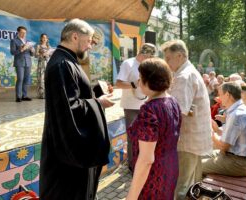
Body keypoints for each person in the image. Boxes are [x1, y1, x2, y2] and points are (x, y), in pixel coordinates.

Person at [39, 19, 114, 200]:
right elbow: (69, 110)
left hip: (68, 151)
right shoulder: (62, 64)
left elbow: (73, 97)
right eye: (88, 41)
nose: (90, 46)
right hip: (67, 155)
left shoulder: (67, 61)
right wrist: (99, 103)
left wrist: (95, 92)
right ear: (74, 36)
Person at [161, 40, 212, 200]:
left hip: (187, 139)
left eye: (168, 58)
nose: (166, 62)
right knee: (194, 182)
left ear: (180, 55)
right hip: (195, 138)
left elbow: (176, 112)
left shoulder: (184, 76)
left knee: (181, 185)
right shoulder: (189, 71)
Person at [126, 58, 182, 200]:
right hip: (170, 167)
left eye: (140, 79)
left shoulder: (149, 109)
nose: (138, 82)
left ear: (149, 81)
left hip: (153, 175)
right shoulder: (172, 101)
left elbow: (146, 160)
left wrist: (131, 196)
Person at [115, 43, 156, 170]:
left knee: (145, 136)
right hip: (131, 106)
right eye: (150, 56)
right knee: (133, 136)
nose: (151, 59)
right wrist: (134, 84)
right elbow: (118, 83)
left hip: (146, 104)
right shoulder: (128, 63)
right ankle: (132, 165)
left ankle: (142, 163)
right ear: (144, 54)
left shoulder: (148, 65)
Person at [202, 82, 246, 177]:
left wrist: (211, 133)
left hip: (238, 164)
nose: (218, 98)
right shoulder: (240, 109)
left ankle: (194, 190)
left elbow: (224, 146)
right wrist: (216, 130)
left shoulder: (237, 115)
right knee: (197, 155)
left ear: (227, 95)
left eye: (220, 94)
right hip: (235, 158)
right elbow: (230, 138)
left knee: (195, 166)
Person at [10, 26, 35, 102]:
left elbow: (32, 54)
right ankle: (18, 96)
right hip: (19, 62)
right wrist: (21, 49)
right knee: (20, 79)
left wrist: (32, 50)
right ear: (18, 32)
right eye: (22, 32)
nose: (24, 34)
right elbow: (12, 52)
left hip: (28, 62)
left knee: (26, 79)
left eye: (25, 33)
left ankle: (24, 95)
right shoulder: (14, 41)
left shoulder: (27, 42)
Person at [35, 33, 52, 99]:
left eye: (46, 38)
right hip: (41, 64)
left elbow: (51, 55)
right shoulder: (38, 46)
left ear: (47, 39)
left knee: (48, 79)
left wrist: (49, 54)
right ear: (41, 38)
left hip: (48, 64)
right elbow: (35, 55)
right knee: (41, 79)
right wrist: (41, 54)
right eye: (43, 37)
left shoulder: (49, 47)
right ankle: (41, 94)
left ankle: (48, 94)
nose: (44, 39)